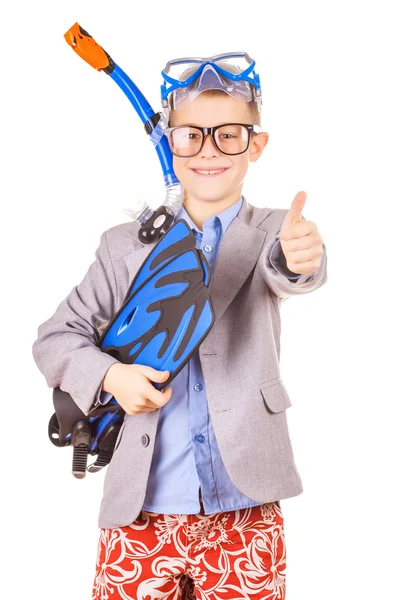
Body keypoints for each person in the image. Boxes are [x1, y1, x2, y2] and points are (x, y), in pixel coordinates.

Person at [32, 53, 328, 600]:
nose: (209, 150)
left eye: (229, 134)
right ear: (169, 142)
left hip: (246, 509)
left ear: (255, 145)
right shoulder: (126, 246)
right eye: (191, 134)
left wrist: (300, 258)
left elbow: (290, 270)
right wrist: (110, 379)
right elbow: (55, 339)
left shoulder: (272, 233)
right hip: (139, 508)